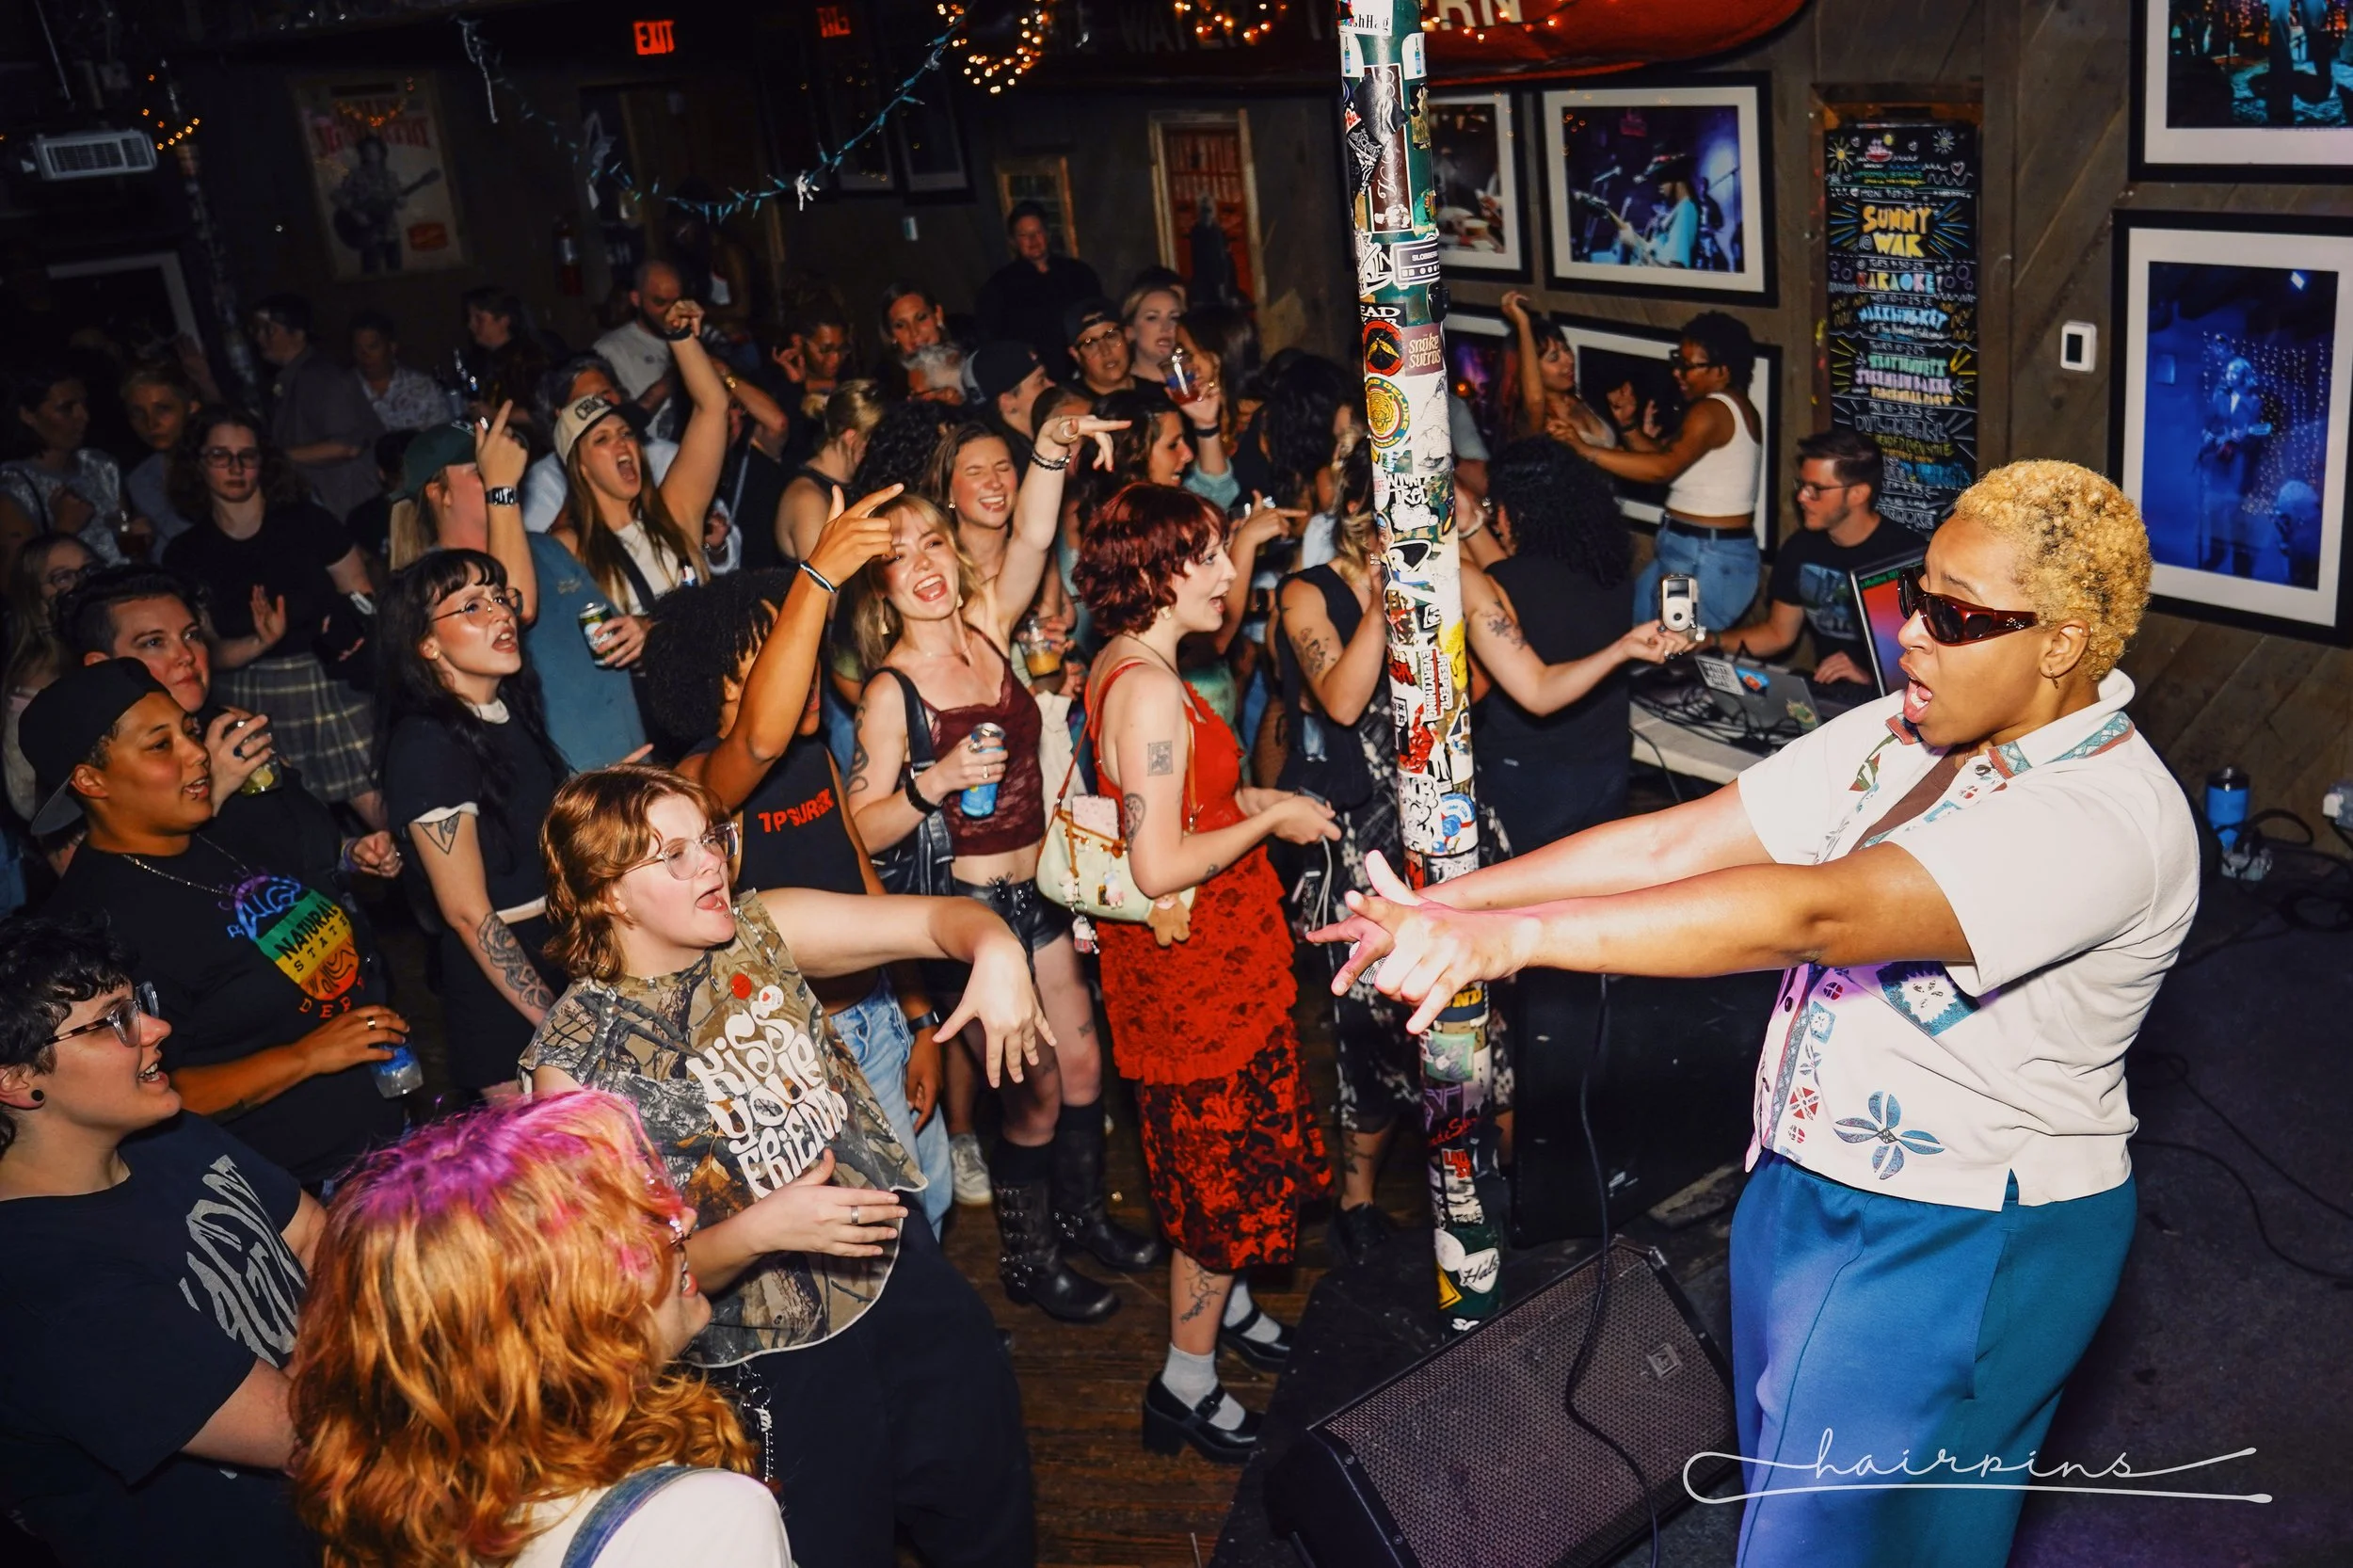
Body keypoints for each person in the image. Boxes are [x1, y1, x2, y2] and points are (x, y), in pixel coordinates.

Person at [1313, 460, 2197, 1568]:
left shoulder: (2102, 816)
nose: (1910, 632)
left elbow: (1816, 913)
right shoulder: (1901, 730)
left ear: (2061, 642)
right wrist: (1444, 904)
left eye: (1957, 615)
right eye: (1915, 596)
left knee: (1845, 1541)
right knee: (1796, 1490)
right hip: (1803, 1172)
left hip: (1962, 1227)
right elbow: (1672, 841)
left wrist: (1509, 943)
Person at [522, 764, 1046, 1565]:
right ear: (607, 894)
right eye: (673, 854)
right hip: (767, 1357)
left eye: (710, 839)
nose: (711, 863)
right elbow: (624, 1289)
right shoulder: (572, 1067)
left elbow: (946, 921)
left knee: (987, 1503)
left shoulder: (765, 928)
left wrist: (999, 951)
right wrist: (758, 1232)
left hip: (895, 1272)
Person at [1278, 438, 1681, 1254]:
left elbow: (1534, 687)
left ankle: (1486, 1216)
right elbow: (1346, 702)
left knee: (1478, 1030)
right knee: (1370, 1034)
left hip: (1456, 838)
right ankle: (1356, 1215)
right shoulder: (1305, 595)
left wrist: (1620, 651)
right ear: (1366, 513)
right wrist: (1399, 586)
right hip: (1360, 843)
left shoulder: (1463, 577)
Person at [846, 467, 1160, 1322]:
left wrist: (1051, 455)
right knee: (1037, 1090)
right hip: (974, 916)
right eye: (898, 556)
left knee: (1087, 1065)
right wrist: (933, 780)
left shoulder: (987, 632)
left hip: (1044, 892)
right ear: (880, 585)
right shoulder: (890, 690)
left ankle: (1084, 1217)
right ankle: (1029, 1260)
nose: (923, 565)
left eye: (933, 543)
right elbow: (860, 828)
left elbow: (1028, 540)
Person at [1075, 482, 1340, 1463]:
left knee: (1226, 1171)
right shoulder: (1145, 687)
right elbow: (1154, 866)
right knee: (1214, 1192)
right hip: (1193, 986)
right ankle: (1182, 1383)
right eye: (1205, 558)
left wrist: (1255, 794)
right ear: (1151, 572)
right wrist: (1268, 821)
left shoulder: (1134, 662)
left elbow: (1186, 804)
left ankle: (1221, 1319)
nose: (1229, 572)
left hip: (1217, 964)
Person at [290, 1092, 791, 1568]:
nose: (682, 1217)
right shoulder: (705, 1524)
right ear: (558, 1325)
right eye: (638, 1228)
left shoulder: (421, 1511)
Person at [642, 527, 957, 1237]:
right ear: (718, 684)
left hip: (879, 1016)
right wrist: (818, 575)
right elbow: (755, 741)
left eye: (804, 657)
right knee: (887, 1230)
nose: (806, 676)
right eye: (772, 664)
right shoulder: (699, 789)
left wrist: (917, 1020)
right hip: (811, 1052)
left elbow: (865, 885)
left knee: (930, 1205)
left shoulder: (815, 757)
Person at [0, 913, 325, 1568]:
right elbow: (304, 1435)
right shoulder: (42, 1289)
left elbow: (321, 1236)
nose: (157, 1029)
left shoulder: (167, 1133)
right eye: (113, 1021)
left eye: (138, 1004)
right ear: (16, 1079)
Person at [26, 660, 407, 1187]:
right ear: (91, 780)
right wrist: (305, 1057)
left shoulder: (222, 832)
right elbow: (141, 1090)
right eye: (161, 746)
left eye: (189, 731)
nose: (196, 752)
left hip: (386, 1134)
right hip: (298, 1184)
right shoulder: (93, 928)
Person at [53, 564, 404, 888]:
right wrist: (214, 787)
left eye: (191, 635)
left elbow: (298, 840)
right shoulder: (95, 772)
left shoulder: (232, 725)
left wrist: (350, 854)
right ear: (100, 666)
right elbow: (124, 905)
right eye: (154, 642)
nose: (186, 655)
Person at [380, 549, 570, 1099]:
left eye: (499, 597)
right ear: (428, 644)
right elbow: (467, 913)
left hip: (559, 950)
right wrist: (558, 1023)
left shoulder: (507, 711)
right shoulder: (427, 744)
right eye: (472, 606)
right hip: (502, 992)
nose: (501, 613)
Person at [164, 409, 385, 829]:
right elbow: (205, 649)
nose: (235, 467)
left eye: (247, 455)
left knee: (380, 810)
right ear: (197, 463)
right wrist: (261, 641)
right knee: (286, 825)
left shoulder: (309, 522)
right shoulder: (187, 551)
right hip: (247, 695)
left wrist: (342, 625)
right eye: (220, 455)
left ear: (264, 462)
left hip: (326, 680)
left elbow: (363, 598)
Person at [1471, 437, 1687, 851]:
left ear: (1511, 511)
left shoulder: (1505, 584)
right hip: (1603, 763)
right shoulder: (1610, 570)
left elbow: (1479, 687)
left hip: (1530, 774)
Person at [1565, 311, 1764, 634]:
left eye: (1688, 366)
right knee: (1643, 644)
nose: (1678, 373)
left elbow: (1662, 470)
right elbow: (1663, 458)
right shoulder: (1724, 407)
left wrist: (1586, 450)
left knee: (1670, 655)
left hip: (1704, 555)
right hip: (1690, 548)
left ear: (1722, 371)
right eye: (1677, 361)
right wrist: (1628, 425)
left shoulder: (1713, 410)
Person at [557, 297, 730, 617]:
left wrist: (679, 337)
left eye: (625, 434)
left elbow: (713, 407)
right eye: (602, 439)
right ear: (580, 467)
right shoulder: (570, 547)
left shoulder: (675, 511)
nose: (622, 445)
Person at [1706, 428, 1919, 688]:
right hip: (1832, 694)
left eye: (1816, 489)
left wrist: (1870, 679)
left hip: (1895, 700)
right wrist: (1707, 641)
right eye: (1802, 485)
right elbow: (1778, 634)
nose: (1801, 497)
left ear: (1858, 494)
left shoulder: (1908, 557)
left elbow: (1936, 658)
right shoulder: (1801, 548)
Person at [247, 295, 384, 522]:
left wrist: (275, 457)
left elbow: (346, 446)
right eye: (257, 330)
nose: (260, 338)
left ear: (298, 333)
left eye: (269, 330)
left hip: (352, 508)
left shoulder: (320, 377)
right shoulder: (291, 380)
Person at [522, 355, 680, 535]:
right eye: (586, 401)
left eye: (605, 394)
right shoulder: (546, 478)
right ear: (561, 416)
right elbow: (543, 554)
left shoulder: (666, 455)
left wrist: (714, 545)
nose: (601, 405)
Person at [3, 535, 94, 821]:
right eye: (63, 577)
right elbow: (27, 796)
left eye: (88, 571)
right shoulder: (40, 675)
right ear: (36, 599)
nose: (82, 584)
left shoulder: (94, 644)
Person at [1, 368, 130, 569]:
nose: (83, 416)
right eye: (66, 408)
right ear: (28, 415)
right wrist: (64, 528)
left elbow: (123, 517)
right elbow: (16, 579)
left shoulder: (102, 465)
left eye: (84, 405)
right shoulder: (14, 484)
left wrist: (128, 528)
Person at [977, 202, 1105, 372]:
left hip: (1081, 367)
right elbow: (992, 339)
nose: (1033, 240)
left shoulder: (1079, 273)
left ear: (1047, 234)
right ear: (1013, 241)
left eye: (1037, 232)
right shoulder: (999, 286)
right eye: (1024, 235)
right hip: (1032, 373)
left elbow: (1098, 319)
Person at [776, 379, 887, 564]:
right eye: (875, 440)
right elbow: (824, 588)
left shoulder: (858, 482)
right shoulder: (808, 500)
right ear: (852, 438)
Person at [1497, 292, 1616, 447]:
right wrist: (1523, 323)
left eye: (1566, 349)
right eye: (1554, 358)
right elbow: (1535, 401)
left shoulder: (1581, 397)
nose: (1569, 360)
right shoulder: (1533, 420)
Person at [595, 263, 693, 436]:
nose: (672, 311)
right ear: (636, 299)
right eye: (660, 302)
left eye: (678, 301)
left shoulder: (700, 336)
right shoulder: (611, 349)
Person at [119, 360, 203, 546]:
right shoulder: (139, 480)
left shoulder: (218, 464)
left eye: (163, 409)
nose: (151, 424)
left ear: (191, 407)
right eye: (138, 413)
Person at [458, 286, 558, 429]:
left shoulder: (529, 359)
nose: (471, 325)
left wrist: (494, 413)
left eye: (479, 319)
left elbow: (546, 412)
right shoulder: (483, 360)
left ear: (504, 320)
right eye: (470, 318)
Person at [347, 310, 453, 434]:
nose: (365, 355)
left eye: (373, 347)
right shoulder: (344, 389)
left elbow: (444, 438)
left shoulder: (422, 387)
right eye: (358, 349)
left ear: (392, 347)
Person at [1122, 280, 1186, 390]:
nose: (1166, 327)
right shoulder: (1122, 393)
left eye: (1174, 318)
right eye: (1152, 318)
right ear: (1130, 331)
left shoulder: (1197, 382)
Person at [1065, 297, 1134, 399]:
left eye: (1111, 337)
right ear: (1076, 354)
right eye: (1090, 344)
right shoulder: (1070, 406)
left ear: (1127, 336)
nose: (1105, 351)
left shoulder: (1156, 394)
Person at [881, 281, 950, 362]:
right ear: (891, 334)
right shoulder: (886, 373)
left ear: (938, 315)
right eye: (900, 325)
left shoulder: (966, 360)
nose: (914, 332)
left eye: (921, 318)